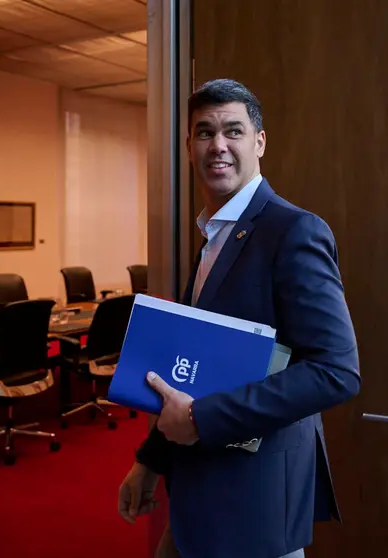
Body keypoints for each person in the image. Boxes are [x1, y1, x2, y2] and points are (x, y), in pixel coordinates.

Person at [116, 79, 361, 558]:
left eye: (234, 130)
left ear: (259, 141)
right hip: (198, 495)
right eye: (204, 132)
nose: (218, 145)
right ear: (189, 146)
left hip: (255, 504)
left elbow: (337, 372)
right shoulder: (214, 235)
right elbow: (195, 366)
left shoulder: (292, 231)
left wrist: (201, 418)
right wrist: (150, 459)